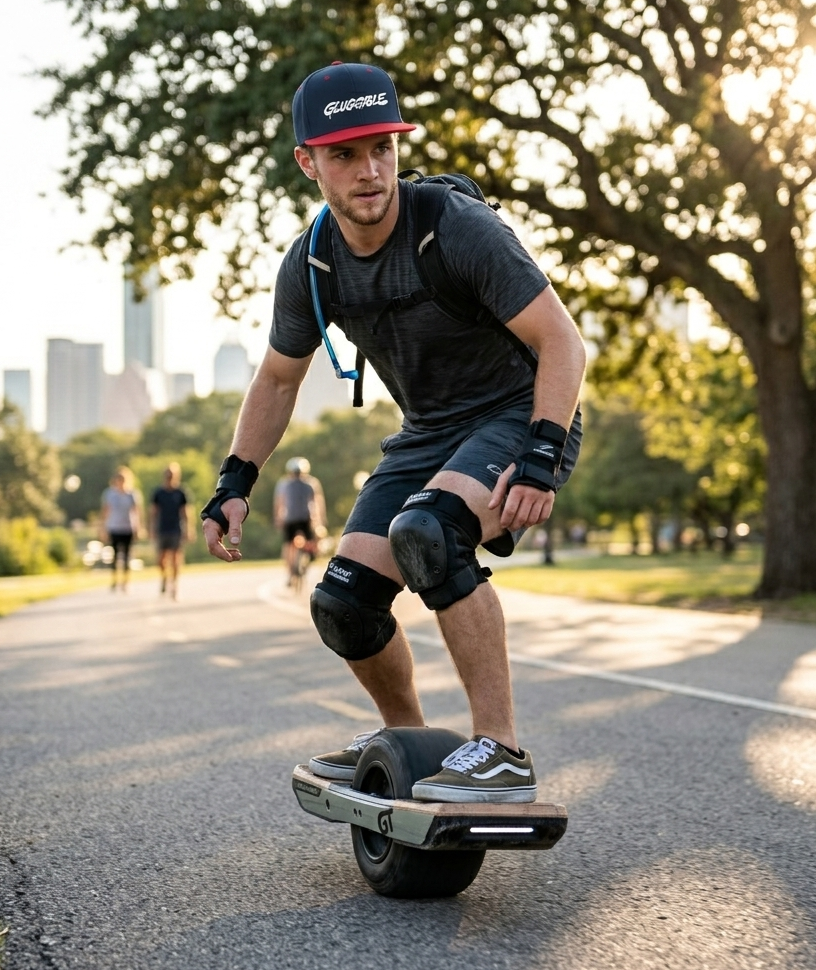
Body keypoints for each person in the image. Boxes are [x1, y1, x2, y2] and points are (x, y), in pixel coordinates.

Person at [202, 62, 585, 803]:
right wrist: (234, 484)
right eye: (344, 155)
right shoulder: (313, 263)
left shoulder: (455, 228)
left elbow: (562, 342)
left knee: (431, 535)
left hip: (519, 410)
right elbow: (278, 379)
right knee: (343, 601)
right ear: (308, 162)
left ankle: (499, 750)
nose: (370, 171)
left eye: (383, 147)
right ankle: (407, 743)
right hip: (430, 433)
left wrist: (539, 456)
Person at [273, 457, 327, 584]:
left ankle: (290, 574)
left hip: (290, 519)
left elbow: (279, 503)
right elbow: (317, 503)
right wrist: (320, 520)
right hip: (306, 518)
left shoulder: (284, 483)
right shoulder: (311, 483)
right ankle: (310, 557)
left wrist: (277, 518)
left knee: (288, 545)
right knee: (312, 541)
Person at [151, 463, 191, 599]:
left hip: (176, 529)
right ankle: (164, 578)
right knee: (161, 560)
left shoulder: (181, 492)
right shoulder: (158, 493)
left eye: (172, 475)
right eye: (167, 475)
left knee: (175, 558)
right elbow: (153, 512)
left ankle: (174, 585)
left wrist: (188, 529)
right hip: (162, 529)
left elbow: (185, 512)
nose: (169, 477)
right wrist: (151, 528)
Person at [101, 469, 140, 592]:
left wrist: (138, 527)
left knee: (127, 556)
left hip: (128, 527)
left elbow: (136, 511)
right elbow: (105, 511)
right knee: (114, 556)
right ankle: (114, 580)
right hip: (114, 527)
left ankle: (125, 582)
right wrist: (103, 527)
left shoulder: (132, 494)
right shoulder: (110, 494)